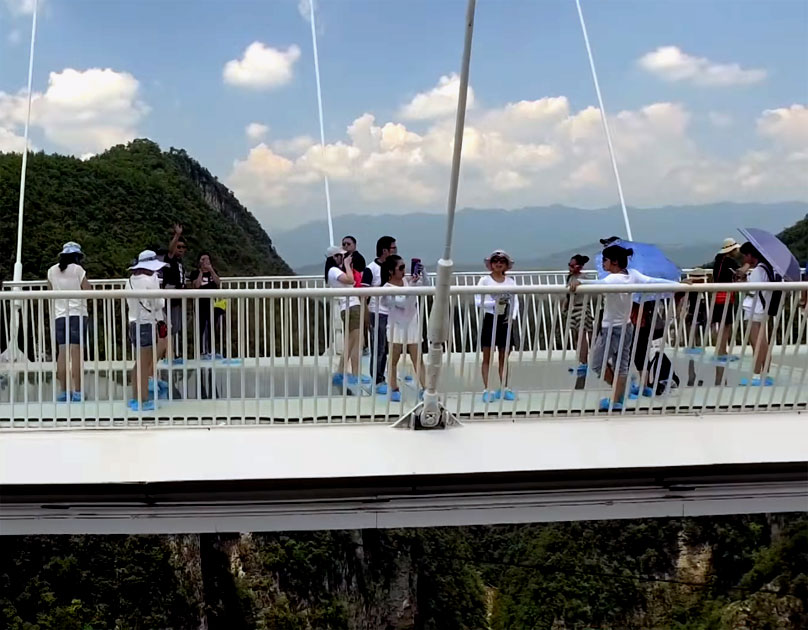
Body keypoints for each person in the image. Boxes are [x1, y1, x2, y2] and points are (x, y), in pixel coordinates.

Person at [570, 244, 681, 411]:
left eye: (605, 260)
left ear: (614, 262)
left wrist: (579, 282)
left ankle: (618, 392)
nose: (603, 264)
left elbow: (595, 284)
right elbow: (653, 281)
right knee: (621, 365)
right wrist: (677, 284)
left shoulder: (612, 279)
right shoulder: (633, 275)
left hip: (611, 329)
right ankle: (617, 400)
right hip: (627, 327)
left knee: (597, 364)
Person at [46, 242, 92, 402]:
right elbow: (88, 291)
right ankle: (78, 391)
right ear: (77, 257)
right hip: (77, 314)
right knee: (77, 354)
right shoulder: (78, 270)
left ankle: (64, 391)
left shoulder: (51, 271)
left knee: (62, 353)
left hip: (60, 315)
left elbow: (51, 291)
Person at [127, 250, 169, 411]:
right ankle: (142, 400)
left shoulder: (130, 280)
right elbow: (159, 304)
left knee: (138, 364)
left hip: (134, 323)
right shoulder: (149, 281)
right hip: (146, 323)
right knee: (144, 366)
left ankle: (135, 397)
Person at [476, 250, 519, 402]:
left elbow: (515, 302)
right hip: (490, 319)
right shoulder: (484, 281)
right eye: (496, 261)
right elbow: (478, 300)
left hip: (505, 321)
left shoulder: (511, 282)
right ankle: (487, 389)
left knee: (503, 357)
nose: (498, 264)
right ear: (491, 264)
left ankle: (504, 388)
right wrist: (494, 304)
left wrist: (512, 317)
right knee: (487, 356)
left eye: (502, 261)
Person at [381, 254, 425, 402]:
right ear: (391, 271)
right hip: (396, 327)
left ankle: (425, 389)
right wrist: (412, 287)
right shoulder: (386, 289)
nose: (403, 271)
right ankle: (393, 388)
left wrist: (422, 273)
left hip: (412, 325)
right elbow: (402, 303)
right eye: (400, 268)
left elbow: (427, 286)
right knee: (393, 359)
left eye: (404, 267)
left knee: (418, 360)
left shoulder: (408, 282)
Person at [325, 246, 363, 388]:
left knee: (352, 342)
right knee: (353, 341)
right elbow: (350, 280)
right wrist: (347, 265)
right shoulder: (333, 270)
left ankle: (349, 372)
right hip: (350, 307)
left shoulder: (334, 271)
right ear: (334, 258)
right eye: (341, 256)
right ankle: (347, 373)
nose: (344, 258)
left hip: (350, 306)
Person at [738, 242, 775, 386]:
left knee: (757, 343)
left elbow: (752, 290)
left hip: (755, 308)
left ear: (750, 255)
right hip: (762, 308)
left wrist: (741, 282)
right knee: (762, 341)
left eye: (745, 256)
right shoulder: (766, 267)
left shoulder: (758, 270)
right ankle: (765, 373)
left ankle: (756, 375)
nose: (744, 259)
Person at [366, 236, 397, 393]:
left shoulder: (391, 268)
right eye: (393, 248)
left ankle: (381, 376)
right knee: (378, 347)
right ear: (385, 250)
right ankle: (376, 379)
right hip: (377, 312)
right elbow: (364, 292)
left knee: (385, 348)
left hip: (390, 312)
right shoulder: (371, 269)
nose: (395, 251)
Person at [711, 238, 743, 384]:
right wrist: (748, 265)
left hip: (718, 296)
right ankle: (722, 350)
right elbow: (739, 274)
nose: (738, 252)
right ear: (731, 251)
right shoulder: (729, 262)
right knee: (726, 326)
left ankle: (721, 350)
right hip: (725, 298)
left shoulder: (718, 260)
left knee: (723, 325)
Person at [190, 252, 222, 359]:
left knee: (212, 328)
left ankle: (211, 350)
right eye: (203, 259)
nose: (206, 261)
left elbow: (218, 283)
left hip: (213, 303)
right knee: (201, 328)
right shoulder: (195, 273)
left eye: (208, 259)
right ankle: (200, 352)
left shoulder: (213, 272)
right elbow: (197, 285)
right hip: (200, 304)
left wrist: (211, 270)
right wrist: (201, 272)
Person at [163, 223, 187, 364]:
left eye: (183, 247)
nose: (181, 250)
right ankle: (168, 355)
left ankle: (171, 354)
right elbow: (170, 251)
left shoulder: (180, 263)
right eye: (179, 247)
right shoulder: (170, 259)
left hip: (178, 297)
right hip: (170, 296)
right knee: (169, 326)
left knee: (176, 326)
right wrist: (177, 235)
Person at [564, 254, 592, 375]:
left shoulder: (583, 277)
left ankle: (584, 363)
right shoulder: (569, 277)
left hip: (582, 308)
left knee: (582, 335)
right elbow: (568, 294)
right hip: (572, 308)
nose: (570, 267)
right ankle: (581, 361)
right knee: (576, 336)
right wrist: (565, 306)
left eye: (572, 265)